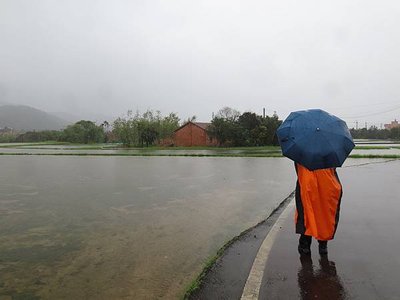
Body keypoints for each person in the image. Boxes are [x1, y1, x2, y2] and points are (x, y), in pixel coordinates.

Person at [294, 163, 343, 255]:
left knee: (307, 215)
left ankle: (305, 245)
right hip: (327, 186)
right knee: (325, 215)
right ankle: (322, 245)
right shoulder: (329, 151)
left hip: (308, 185)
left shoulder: (302, 152)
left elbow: (298, 169)